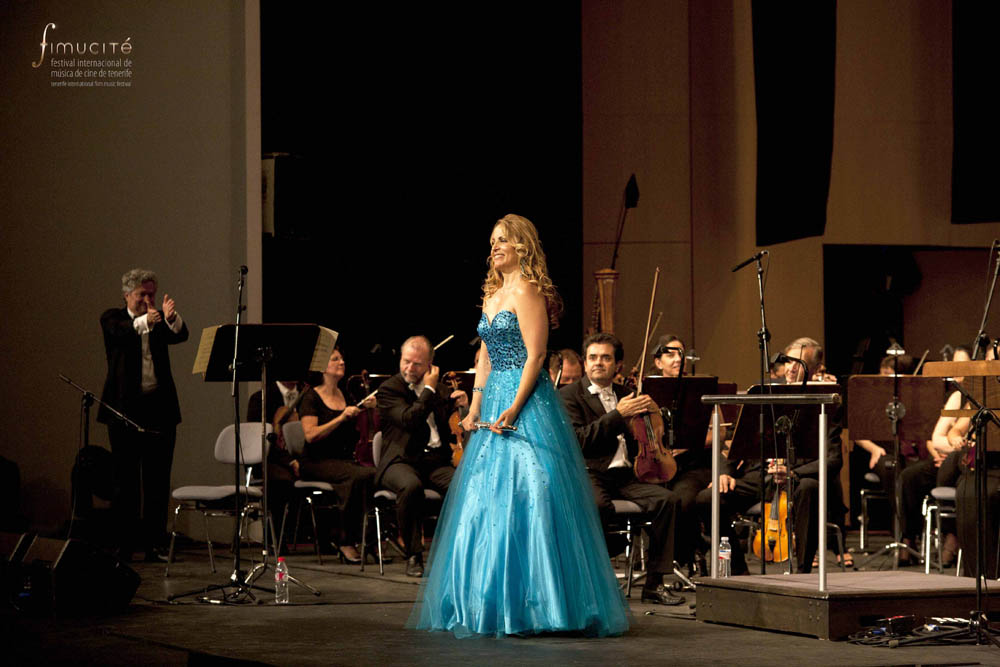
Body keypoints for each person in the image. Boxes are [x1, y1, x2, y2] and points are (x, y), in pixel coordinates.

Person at [411, 214, 629, 637]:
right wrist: (475, 407)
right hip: (494, 399)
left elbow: (536, 355)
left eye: (502, 241)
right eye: (492, 241)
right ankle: (486, 602)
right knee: (485, 498)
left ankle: (543, 604)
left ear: (522, 246)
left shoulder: (528, 290)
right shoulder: (492, 295)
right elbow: (484, 358)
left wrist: (514, 407)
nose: (494, 247)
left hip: (526, 402)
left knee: (534, 490)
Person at [696, 336, 843, 574]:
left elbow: (833, 459)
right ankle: (739, 571)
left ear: (816, 369)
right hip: (761, 476)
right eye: (789, 361)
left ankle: (803, 573)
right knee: (708, 498)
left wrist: (793, 473)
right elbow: (736, 441)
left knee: (809, 488)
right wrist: (724, 473)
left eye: (800, 363)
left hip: (799, 478)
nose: (791, 368)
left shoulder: (826, 403)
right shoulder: (764, 395)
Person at [561, 333, 685, 605]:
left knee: (667, 500)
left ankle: (654, 584)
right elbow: (580, 440)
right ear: (585, 363)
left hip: (626, 475)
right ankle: (596, 580)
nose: (598, 363)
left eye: (606, 358)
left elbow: (642, 434)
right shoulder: (569, 396)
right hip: (590, 472)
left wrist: (649, 419)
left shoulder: (627, 394)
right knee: (597, 506)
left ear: (617, 365)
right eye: (593, 357)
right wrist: (618, 414)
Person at [99, 268, 188, 562]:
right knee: (125, 481)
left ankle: (154, 545)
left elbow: (181, 335)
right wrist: (145, 322)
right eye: (142, 295)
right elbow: (121, 331)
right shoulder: (113, 318)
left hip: (159, 410)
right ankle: (124, 546)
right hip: (124, 411)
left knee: (157, 481)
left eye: (151, 294)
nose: (148, 300)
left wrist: (171, 318)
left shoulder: (157, 320)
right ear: (127, 295)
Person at [376, 336, 467, 577]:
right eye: (406, 361)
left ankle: (458, 550)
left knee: (464, 484)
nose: (409, 368)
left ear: (429, 365)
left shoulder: (441, 391)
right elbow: (409, 419)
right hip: (400, 461)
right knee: (411, 486)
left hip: (434, 461)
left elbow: (454, 427)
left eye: (417, 364)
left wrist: (463, 406)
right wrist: (428, 389)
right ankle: (414, 555)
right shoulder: (389, 389)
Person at [298, 348, 378, 564]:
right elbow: (311, 435)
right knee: (357, 476)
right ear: (322, 368)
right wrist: (341, 418)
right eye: (335, 359)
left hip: (341, 460)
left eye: (342, 358)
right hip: (315, 461)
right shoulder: (310, 397)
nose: (341, 362)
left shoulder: (345, 394)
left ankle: (367, 538)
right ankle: (344, 539)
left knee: (372, 474)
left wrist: (367, 409)